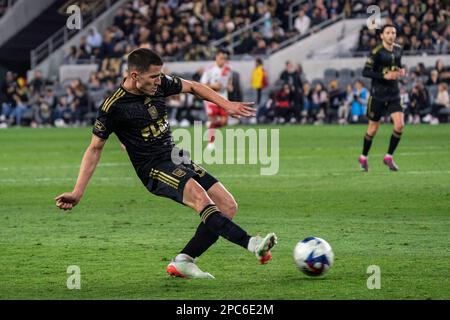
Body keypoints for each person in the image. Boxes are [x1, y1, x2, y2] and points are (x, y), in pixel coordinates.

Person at [54, 48, 277, 279]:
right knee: (200, 197)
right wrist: (77, 192)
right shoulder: (113, 107)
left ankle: (184, 260)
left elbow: (193, 86)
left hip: (175, 156)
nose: (159, 81)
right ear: (134, 76)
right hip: (153, 168)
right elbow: (94, 148)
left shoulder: (159, 84)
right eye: (153, 77)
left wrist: (226, 104)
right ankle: (252, 243)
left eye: (160, 75)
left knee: (228, 205)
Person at [360, 24, 406, 172]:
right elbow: (365, 72)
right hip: (378, 95)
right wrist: (383, 75)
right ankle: (363, 157)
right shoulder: (376, 52)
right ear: (382, 36)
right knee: (373, 129)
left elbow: (397, 64)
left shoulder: (399, 49)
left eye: (393, 32)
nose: (391, 35)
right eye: (388, 33)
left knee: (399, 125)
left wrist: (400, 70)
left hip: (393, 94)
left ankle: (388, 157)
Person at [200, 49, 233, 150]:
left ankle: (210, 127)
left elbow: (229, 83)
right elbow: (202, 84)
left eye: (224, 59)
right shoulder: (209, 70)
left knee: (224, 122)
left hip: (223, 98)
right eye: (221, 58)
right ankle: (210, 143)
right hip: (211, 98)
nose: (223, 61)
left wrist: (230, 86)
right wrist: (213, 86)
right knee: (213, 120)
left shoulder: (228, 70)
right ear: (216, 57)